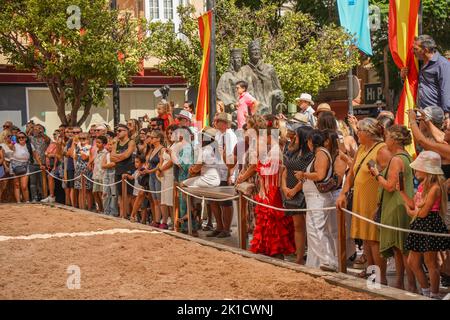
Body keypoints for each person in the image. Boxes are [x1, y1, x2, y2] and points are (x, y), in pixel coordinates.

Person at [336, 118, 391, 283]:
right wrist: (343, 193)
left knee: (375, 240)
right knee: (367, 239)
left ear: (368, 133)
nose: (356, 132)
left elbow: (389, 177)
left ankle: (381, 280)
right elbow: (352, 173)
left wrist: (381, 203)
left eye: (359, 130)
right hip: (361, 199)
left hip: (374, 201)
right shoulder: (361, 148)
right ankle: (372, 275)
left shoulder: (382, 150)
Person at [369, 125, 417, 292]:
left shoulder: (397, 159)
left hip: (396, 206)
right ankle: (401, 283)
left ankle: (410, 285)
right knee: (399, 249)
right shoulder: (405, 157)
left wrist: (376, 174)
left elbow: (390, 186)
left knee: (402, 249)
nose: (385, 140)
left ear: (395, 140)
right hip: (399, 204)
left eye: (387, 136)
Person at [399, 151, 450, 298]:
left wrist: (410, 211)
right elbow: (415, 206)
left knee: (431, 262)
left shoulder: (435, 188)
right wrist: (401, 192)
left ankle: (433, 294)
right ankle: (426, 291)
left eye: (418, 168)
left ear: (427, 169)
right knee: (412, 261)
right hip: (419, 224)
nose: (415, 170)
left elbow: (422, 213)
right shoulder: (423, 185)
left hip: (429, 224)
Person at [250, 120, 295, 258]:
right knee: (267, 221)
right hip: (268, 190)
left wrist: (259, 164)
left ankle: (275, 249)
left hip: (272, 191)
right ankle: (268, 248)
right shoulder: (273, 149)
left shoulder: (275, 150)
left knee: (273, 222)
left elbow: (270, 171)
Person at [294, 130, 338, 270]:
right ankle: (317, 263)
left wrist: (303, 174)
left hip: (318, 198)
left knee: (315, 230)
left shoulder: (321, 153)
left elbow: (319, 175)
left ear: (311, 141)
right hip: (314, 197)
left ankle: (327, 261)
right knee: (315, 230)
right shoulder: (320, 153)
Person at [281, 125, 314, 264]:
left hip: (303, 193)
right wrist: (284, 188)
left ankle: (311, 257)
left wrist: (294, 189)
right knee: (297, 226)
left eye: (297, 135)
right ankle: (299, 257)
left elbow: (307, 175)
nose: (295, 137)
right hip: (289, 192)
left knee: (309, 227)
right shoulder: (293, 151)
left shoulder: (310, 155)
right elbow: (285, 170)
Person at [401, 35, 450, 115]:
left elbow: (446, 91)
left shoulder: (443, 64)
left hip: (436, 115)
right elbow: (414, 84)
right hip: (421, 113)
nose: (412, 51)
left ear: (425, 50)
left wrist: (447, 115)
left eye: (416, 49)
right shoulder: (417, 63)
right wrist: (403, 77)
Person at [207, 113, 237, 238]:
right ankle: (219, 226)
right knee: (213, 200)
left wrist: (231, 174)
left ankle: (226, 228)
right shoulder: (219, 134)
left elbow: (231, 157)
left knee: (225, 202)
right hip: (215, 170)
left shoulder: (230, 136)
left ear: (224, 123)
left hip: (225, 171)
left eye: (217, 120)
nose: (215, 122)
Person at [110, 124, 136, 218]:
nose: (117, 132)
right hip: (118, 170)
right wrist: (121, 156)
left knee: (128, 194)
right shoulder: (116, 143)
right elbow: (111, 157)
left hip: (128, 169)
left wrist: (117, 157)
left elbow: (127, 155)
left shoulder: (131, 142)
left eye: (120, 130)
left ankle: (126, 213)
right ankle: (122, 214)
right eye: (117, 130)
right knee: (120, 194)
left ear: (126, 132)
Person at [159, 125, 177, 229]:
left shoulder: (177, 146)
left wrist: (161, 169)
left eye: (172, 133)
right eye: (168, 133)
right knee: (165, 200)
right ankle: (167, 220)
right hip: (164, 175)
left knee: (171, 200)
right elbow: (162, 159)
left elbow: (171, 161)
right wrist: (159, 169)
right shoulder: (168, 146)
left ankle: (174, 221)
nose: (170, 135)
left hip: (171, 174)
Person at [145, 130, 164, 227]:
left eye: (152, 138)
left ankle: (162, 220)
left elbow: (160, 164)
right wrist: (146, 168)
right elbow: (149, 163)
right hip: (151, 175)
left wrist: (149, 171)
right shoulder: (152, 149)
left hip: (157, 175)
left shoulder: (161, 149)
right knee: (155, 200)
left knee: (159, 199)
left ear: (158, 139)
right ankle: (156, 220)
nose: (150, 139)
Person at [10, 132, 35, 203]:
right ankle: (18, 202)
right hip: (14, 164)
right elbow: (11, 148)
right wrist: (12, 144)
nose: (21, 138)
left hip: (25, 164)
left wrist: (40, 164)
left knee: (24, 186)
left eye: (22, 137)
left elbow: (35, 154)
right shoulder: (14, 145)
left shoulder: (30, 145)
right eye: (19, 137)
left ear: (26, 138)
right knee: (17, 185)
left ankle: (26, 201)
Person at [29, 124, 50, 202]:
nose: (37, 130)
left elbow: (48, 140)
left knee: (43, 182)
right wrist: (32, 129)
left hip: (43, 163)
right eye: (35, 129)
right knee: (33, 182)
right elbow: (26, 136)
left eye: (39, 128)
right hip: (32, 163)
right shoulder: (31, 138)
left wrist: (41, 132)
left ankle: (43, 197)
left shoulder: (45, 138)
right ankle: (34, 197)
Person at [73, 132, 93, 210]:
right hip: (78, 170)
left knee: (87, 190)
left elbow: (85, 157)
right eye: (80, 139)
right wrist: (76, 147)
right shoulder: (78, 147)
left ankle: (89, 208)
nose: (81, 140)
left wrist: (80, 148)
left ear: (88, 139)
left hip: (86, 170)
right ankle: (81, 207)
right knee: (80, 190)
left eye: (83, 139)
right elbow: (74, 157)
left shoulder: (89, 147)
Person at [123, 154, 146, 222]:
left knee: (143, 206)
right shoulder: (136, 171)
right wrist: (127, 175)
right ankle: (136, 217)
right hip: (136, 191)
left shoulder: (144, 171)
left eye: (137, 162)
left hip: (141, 191)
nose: (135, 164)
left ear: (142, 163)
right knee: (136, 204)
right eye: (135, 162)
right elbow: (132, 177)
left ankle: (143, 219)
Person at [41, 130, 60, 203]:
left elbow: (56, 155)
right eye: (54, 134)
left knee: (51, 178)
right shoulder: (52, 143)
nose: (55, 135)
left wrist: (55, 166)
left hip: (56, 164)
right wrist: (49, 154)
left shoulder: (58, 144)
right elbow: (46, 153)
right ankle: (51, 196)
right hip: (49, 164)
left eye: (57, 134)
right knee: (49, 178)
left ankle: (52, 196)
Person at [101, 139, 118, 216]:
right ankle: (106, 210)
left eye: (112, 144)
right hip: (106, 174)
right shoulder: (107, 154)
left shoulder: (117, 154)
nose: (110, 146)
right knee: (105, 192)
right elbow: (102, 165)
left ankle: (113, 211)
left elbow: (114, 163)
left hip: (113, 173)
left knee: (113, 193)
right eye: (109, 144)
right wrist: (108, 165)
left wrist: (107, 165)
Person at [92, 135, 107, 213]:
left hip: (102, 175)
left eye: (99, 143)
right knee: (95, 192)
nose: (97, 144)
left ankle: (103, 209)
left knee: (101, 192)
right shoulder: (96, 152)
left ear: (104, 144)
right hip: (96, 174)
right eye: (96, 142)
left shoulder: (106, 152)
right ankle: (100, 208)